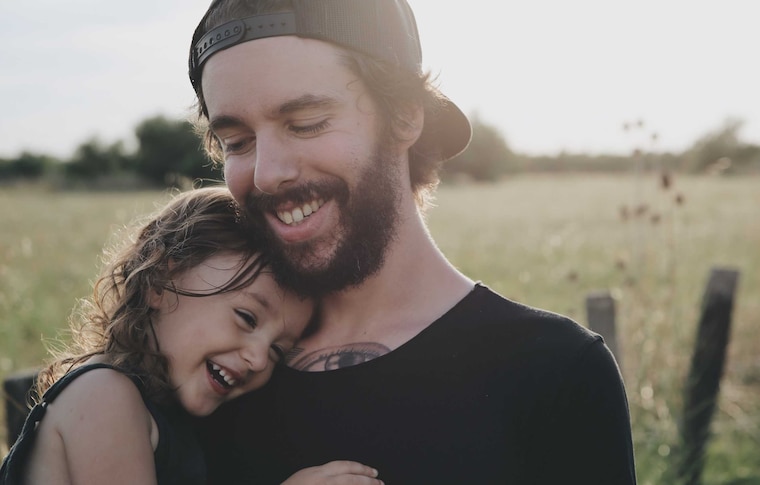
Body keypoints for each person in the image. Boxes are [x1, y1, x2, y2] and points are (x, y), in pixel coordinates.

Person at [189, 1, 638, 483]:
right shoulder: (211, 368)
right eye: (237, 142)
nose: (267, 173)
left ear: (404, 117)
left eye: (306, 123)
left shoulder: (554, 371)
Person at [0, 187, 383, 485]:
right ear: (161, 280)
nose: (258, 358)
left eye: (277, 352)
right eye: (247, 317)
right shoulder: (104, 394)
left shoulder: (163, 414)